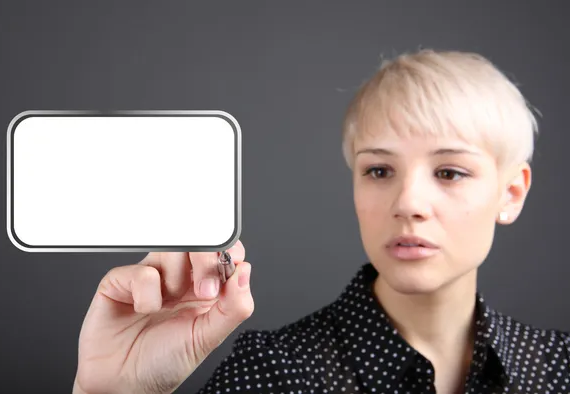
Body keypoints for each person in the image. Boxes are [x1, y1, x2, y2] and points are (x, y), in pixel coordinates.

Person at [72, 49, 570, 394]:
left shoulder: (560, 368)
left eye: (450, 171)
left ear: (511, 193)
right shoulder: (271, 375)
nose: (409, 202)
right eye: (379, 169)